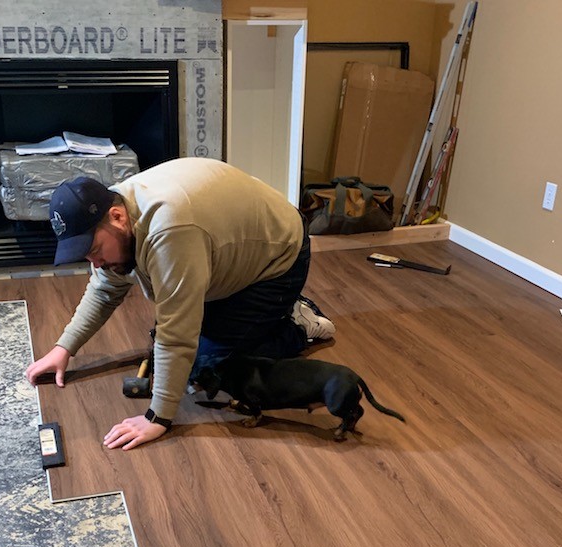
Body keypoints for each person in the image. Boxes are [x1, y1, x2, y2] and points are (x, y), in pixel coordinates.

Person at [25, 158, 335, 450]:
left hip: (279, 261)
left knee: (207, 367)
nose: (94, 262)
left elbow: (177, 334)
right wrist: (63, 348)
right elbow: (105, 289)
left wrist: (158, 417)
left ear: (116, 217)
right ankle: (267, 314)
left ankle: (296, 323)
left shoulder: (169, 229)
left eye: (93, 250)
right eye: (85, 255)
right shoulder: (118, 214)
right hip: (234, 257)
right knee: (182, 354)